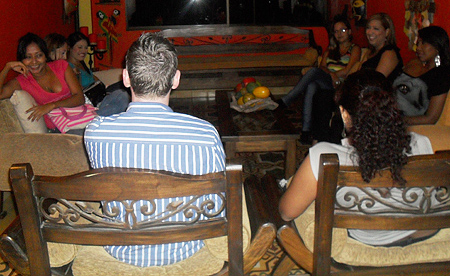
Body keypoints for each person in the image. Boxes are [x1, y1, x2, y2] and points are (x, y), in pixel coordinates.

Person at [84, 33, 226, 267]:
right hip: (186, 250)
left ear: (126, 78)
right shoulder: (205, 134)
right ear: (176, 79)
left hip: (120, 249)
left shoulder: (96, 131)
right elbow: (216, 205)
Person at [279, 69, 437, 247]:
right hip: (420, 234)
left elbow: (287, 213)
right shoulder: (421, 143)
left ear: (345, 114)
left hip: (368, 239)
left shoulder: (324, 155)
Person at [312, 12, 403, 144]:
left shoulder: (389, 53)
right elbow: (356, 72)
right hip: (361, 95)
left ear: (387, 32)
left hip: (376, 102)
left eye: (376, 29)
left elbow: (375, 83)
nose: (370, 32)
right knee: (322, 96)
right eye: (368, 28)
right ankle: (319, 144)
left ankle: (332, 147)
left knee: (339, 111)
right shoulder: (371, 52)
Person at [279, 16, 361, 143]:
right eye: (336, 31)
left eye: (343, 30)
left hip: (341, 83)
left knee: (313, 72)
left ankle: (288, 100)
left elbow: (347, 70)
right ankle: (306, 131)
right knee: (312, 85)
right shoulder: (331, 49)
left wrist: (334, 75)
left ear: (349, 31)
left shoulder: (355, 49)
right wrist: (331, 75)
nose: (339, 34)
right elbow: (322, 66)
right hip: (328, 81)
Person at [0, 32, 85, 134]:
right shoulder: (22, 81)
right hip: (60, 130)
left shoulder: (61, 66)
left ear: (45, 56)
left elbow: (80, 98)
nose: (34, 61)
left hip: (81, 118)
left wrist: (51, 105)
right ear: (22, 60)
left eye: (38, 55)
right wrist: (7, 68)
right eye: (28, 57)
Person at [395, 26, 450, 125]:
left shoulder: (442, 75)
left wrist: (396, 121)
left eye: (423, 43)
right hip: (388, 112)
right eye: (418, 43)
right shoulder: (414, 63)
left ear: (437, 47)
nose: (418, 48)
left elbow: (430, 118)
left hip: (405, 124)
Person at [67, 31, 130, 116]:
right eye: (80, 47)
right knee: (123, 96)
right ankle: (96, 115)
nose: (84, 51)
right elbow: (77, 91)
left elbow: (96, 80)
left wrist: (104, 86)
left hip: (100, 94)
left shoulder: (81, 64)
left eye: (86, 47)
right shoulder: (68, 68)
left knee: (127, 83)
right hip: (92, 101)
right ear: (69, 48)